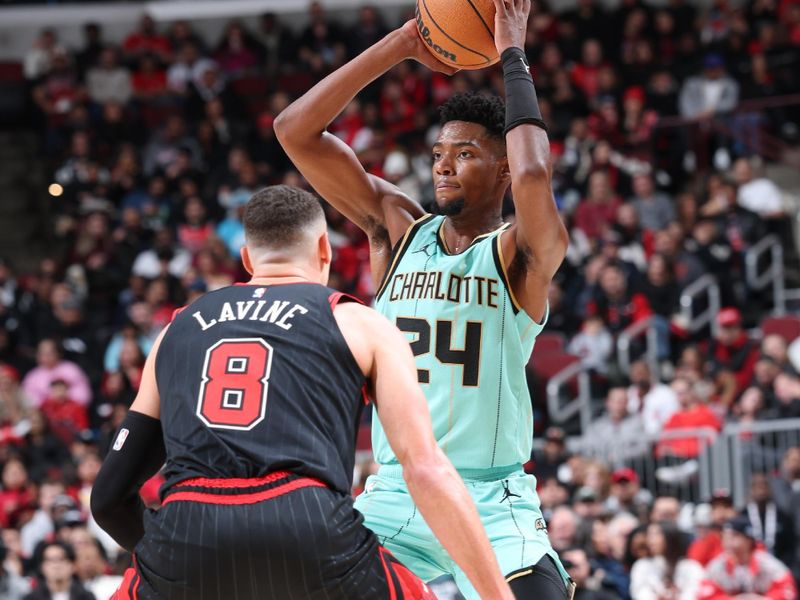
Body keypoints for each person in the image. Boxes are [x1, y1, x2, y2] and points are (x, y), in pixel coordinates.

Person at [275, 1, 572, 597]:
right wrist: (404, 42)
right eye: (439, 153)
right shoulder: (396, 232)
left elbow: (536, 176)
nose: (444, 166)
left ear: (502, 169)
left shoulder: (519, 256)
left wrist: (512, 49)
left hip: (490, 498)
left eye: (465, 154)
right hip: (394, 490)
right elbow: (294, 131)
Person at [90, 186, 513, 600]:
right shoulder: (361, 323)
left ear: (247, 259)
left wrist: (182, 564)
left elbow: (109, 499)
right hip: (307, 523)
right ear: (325, 249)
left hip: (187, 529)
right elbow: (425, 469)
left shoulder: (175, 330)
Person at [699, 516, 798, 600]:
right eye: (725, 536)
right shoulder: (717, 566)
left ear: (749, 540)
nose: (728, 541)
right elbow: (704, 594)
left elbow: (788, 592)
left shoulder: (768, 564)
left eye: (734, 536)